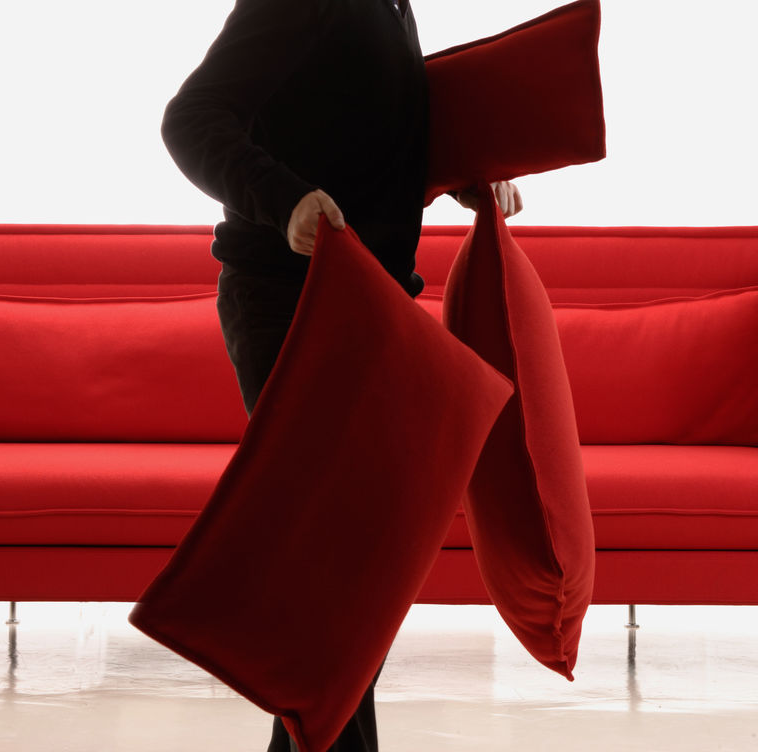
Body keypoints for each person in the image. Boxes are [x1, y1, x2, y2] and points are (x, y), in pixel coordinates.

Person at [160, 1, 521, 750]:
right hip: (292, 306)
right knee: (341, 570)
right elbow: (190, 119)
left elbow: (359, 137)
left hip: (369, 305)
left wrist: (459, 175)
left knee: (351, 572)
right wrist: (284, 199)